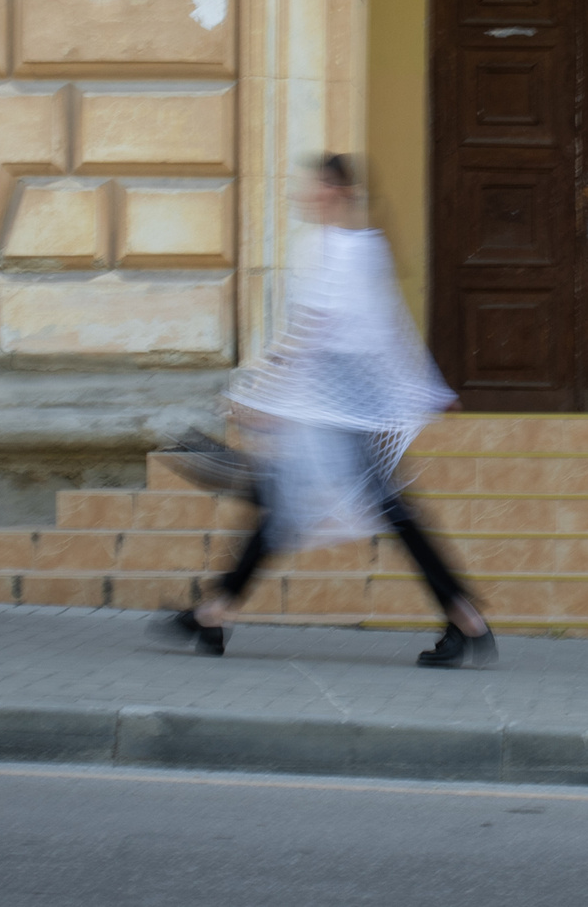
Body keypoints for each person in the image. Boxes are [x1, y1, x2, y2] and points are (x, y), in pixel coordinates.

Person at [158, 154, 495, 667]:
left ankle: (213, 613)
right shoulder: (361, 248)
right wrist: (419, 386)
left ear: (335, 191)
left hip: (337, 410)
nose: (303, 194)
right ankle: (213, 613)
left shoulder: (338, 250)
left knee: (322, 505)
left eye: (312, 186)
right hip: (341, 405)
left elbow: (317, 331)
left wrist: (261, 396)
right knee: (315, 505)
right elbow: (381, 330)